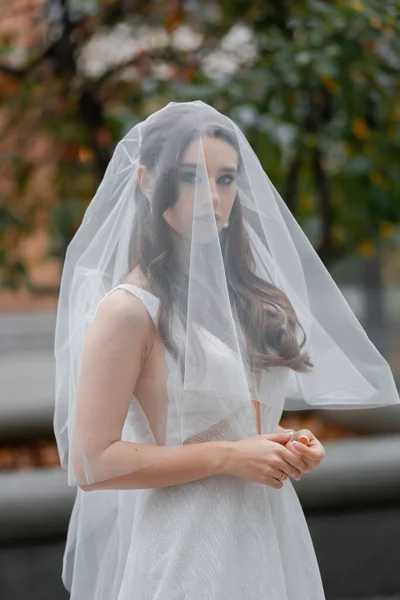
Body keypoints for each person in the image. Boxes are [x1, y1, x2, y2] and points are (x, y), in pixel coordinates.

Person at [54, 101, 399, 600]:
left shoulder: (238, 298)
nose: (211, 197)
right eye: (192, 176)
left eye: (226, 179)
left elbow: (231, 421)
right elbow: (92, 463)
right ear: (148, 180)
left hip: (267, 530)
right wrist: (229, 456)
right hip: (186, 544)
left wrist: (284, 441)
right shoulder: (129, 310)